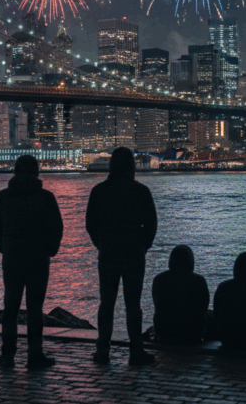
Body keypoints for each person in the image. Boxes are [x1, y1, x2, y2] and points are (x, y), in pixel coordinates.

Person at [0, 155, 63, 369]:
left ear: (15, 172)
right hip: (38, 258)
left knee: (10, 307)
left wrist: (5, 248)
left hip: (12, 258)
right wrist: (50, 250)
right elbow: (56, 228)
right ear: (36, 173)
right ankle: (34, 355)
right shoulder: (46, 198)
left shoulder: (2, 197)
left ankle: (8, 355)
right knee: (35, 308)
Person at [86, 147, 158, 366]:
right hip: (133, 254)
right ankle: (136, 351)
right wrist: (141, 246)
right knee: (133, 305)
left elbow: (91, 225)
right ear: (132, 167)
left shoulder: (99, 191)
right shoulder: (141, 191)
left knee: (106, 303)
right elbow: (152, 225)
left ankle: (102, 350)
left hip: (108, 254)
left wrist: (102, 244)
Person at [151, 245, 210, 344]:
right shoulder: (199, 280)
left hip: (165, 333)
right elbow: (204, 306)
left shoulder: (159, 279)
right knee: (211, 315)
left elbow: (157, 304)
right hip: (193, 334)